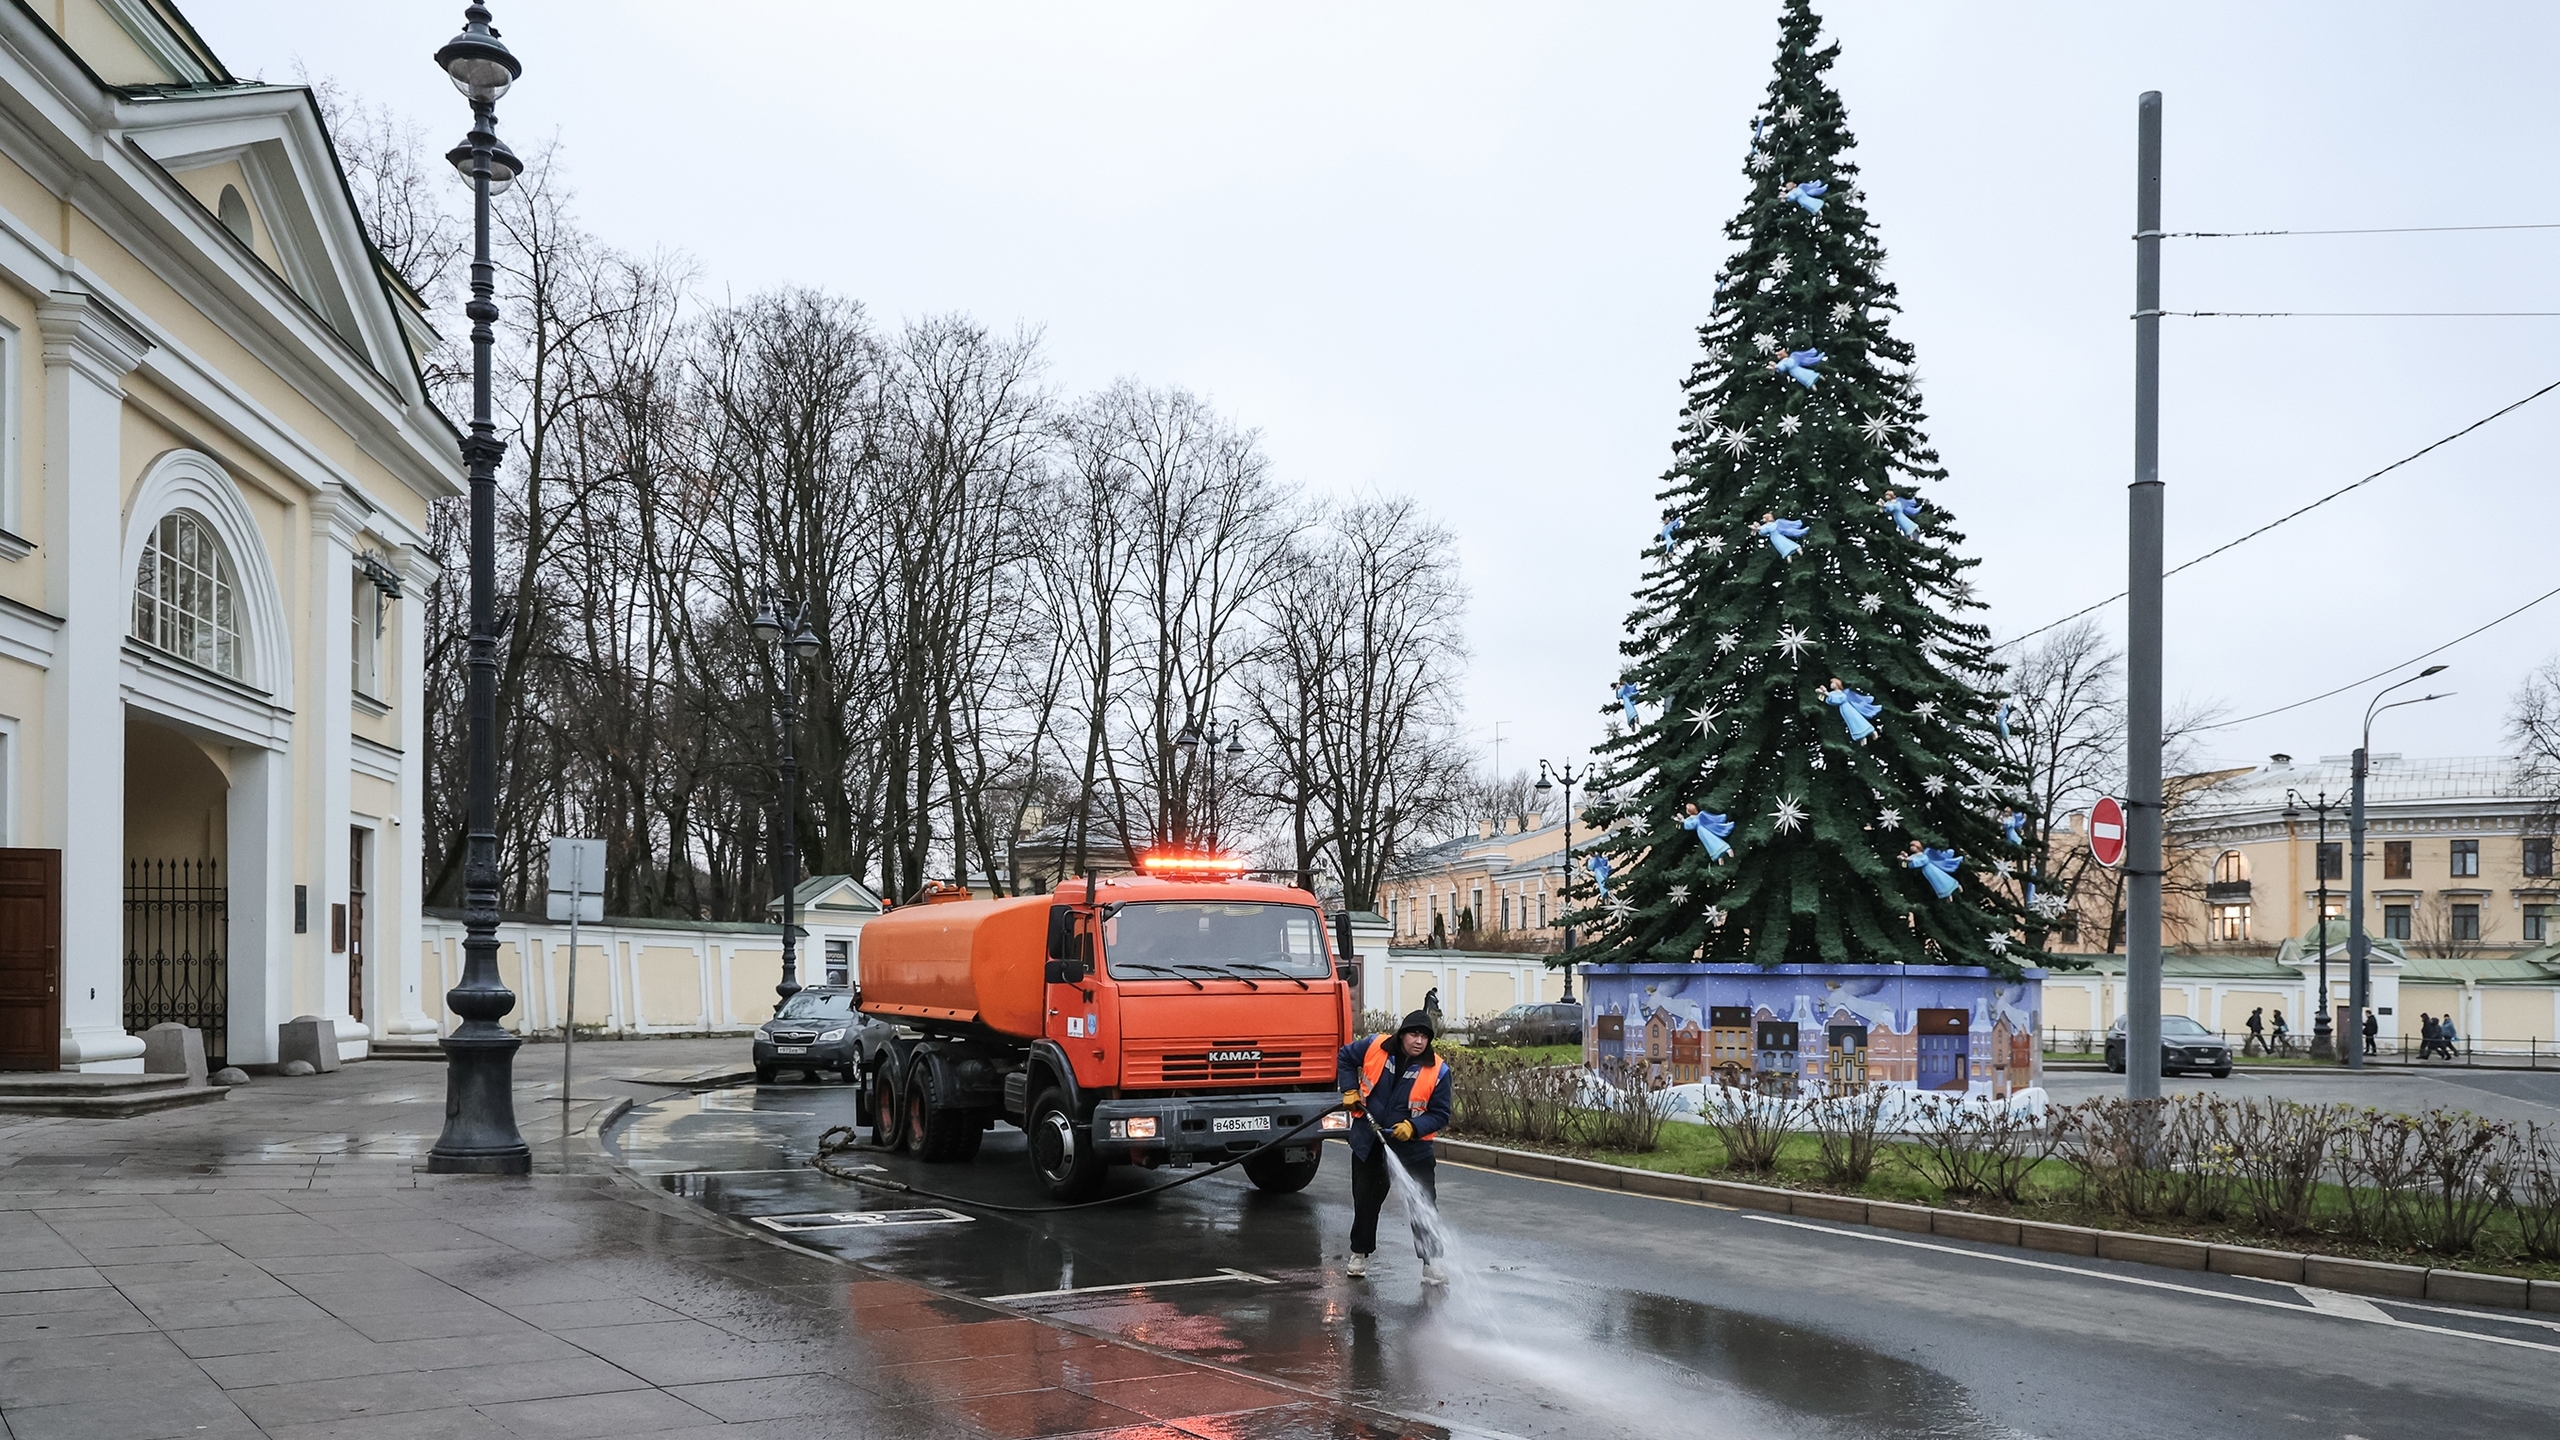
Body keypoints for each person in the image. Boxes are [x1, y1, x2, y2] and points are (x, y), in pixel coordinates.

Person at [1336, 1010, 1454, 1284]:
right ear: (1402, 1034)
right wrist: (1349, 1089)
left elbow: (1440, 1114)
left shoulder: (1438, 1070)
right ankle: (1359, 1254)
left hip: (1413, 1149)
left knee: (1422, 1203)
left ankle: (1431, 1262)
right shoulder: (1375, 1046)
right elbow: (1345, 1056)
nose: (1419, 1041)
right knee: (1365, 1200)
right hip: (1370, 1140)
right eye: (1414, 1035)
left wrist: (1413, 1127)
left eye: (1424, 1037)